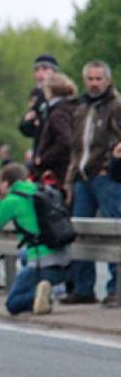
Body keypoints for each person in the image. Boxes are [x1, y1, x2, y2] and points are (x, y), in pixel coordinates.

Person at [62, 60, 121, 306]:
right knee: (80, 232)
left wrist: (110, 165)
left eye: (99, 79)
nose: (94, 83)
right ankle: (83, 287)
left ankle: (115, 287)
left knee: (113, 231)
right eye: (90, 79)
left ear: (107, 80)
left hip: (106, 175)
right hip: (82, 175)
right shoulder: (81, 106)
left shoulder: (116, 105)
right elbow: (76, 147)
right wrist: (69, 178)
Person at [0, 163, 70, 315]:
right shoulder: (41, 189)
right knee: (24, 255)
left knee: (12, 303)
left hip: (41, 263)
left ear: (6, 183)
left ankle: (41, 296)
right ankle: (42, 294)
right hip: (63, 260)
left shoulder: (12, 200)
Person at [33, 72, 78, 187]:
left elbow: (65, 141)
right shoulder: (74, 108)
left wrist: (43, 158)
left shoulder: (57, 113)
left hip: (57, 170)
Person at [19, 54, 59, 153]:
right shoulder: (37, 94)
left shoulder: (61, 94)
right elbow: (27, 128)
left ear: (55, 72)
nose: (40, 73)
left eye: (45, 69)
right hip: (40, 149)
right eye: (37, 70)